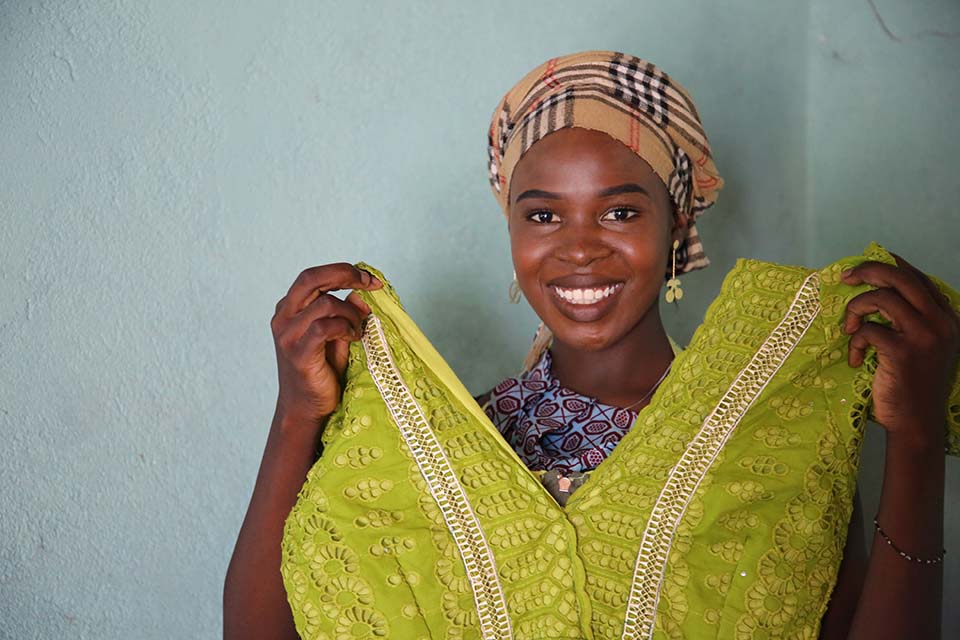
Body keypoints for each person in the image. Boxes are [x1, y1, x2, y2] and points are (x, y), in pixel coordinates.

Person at [224, 51, 960, 640]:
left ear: (675, 223)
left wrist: (917, 437)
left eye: (618, 210)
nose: (579, 250)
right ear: (510, 232)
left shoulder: (768, 431)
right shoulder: (433, 450)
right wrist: (296, 418)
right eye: (542, 215)